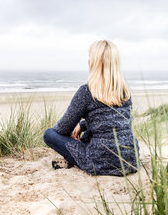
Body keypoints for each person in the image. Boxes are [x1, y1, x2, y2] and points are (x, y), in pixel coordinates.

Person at [43, 40, 140, 176]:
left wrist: (77, 127)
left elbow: (62, 129)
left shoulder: (87, 91)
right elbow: (112, 123)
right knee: (91, 135)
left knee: (49, 134)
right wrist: (82, 126)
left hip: (99, 163)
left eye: (90, 57)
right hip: (130, 161)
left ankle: (75, 161)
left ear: (95, 62)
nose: (88, 61)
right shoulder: (125, 91)